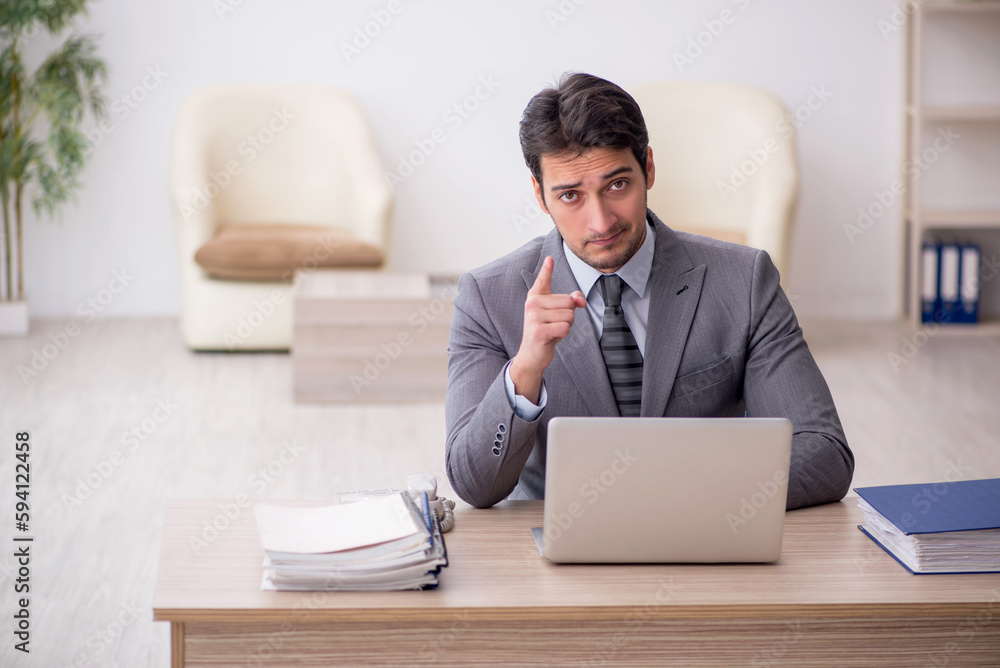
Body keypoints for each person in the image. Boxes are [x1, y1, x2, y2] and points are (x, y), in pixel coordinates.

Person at [445, 72, 853, 511]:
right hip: (558, 556)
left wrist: (671, 498)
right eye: (570, 196)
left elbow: (825, 453)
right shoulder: (487, 298)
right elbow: (475, 484)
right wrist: (526, 368)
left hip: (708, 541)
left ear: (649, 169)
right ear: (541, 196)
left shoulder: (744, 281)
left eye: (616, 185)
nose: (600, 222)